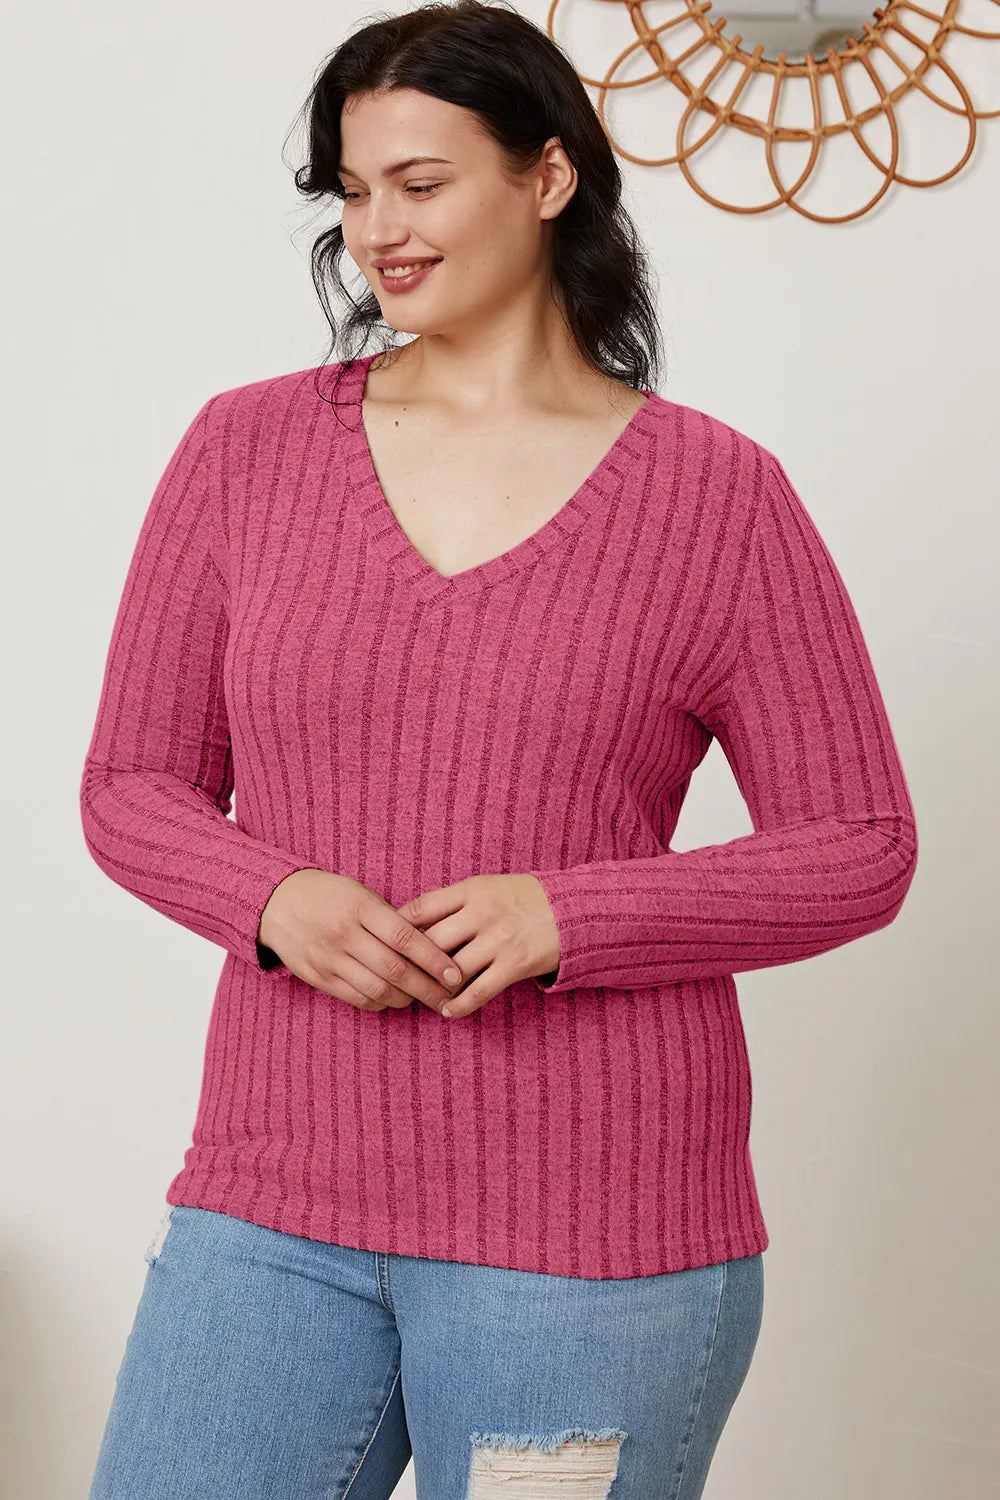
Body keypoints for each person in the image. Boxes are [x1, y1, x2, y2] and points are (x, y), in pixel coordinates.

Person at [81, 3, 918, 1496]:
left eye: (421, 183)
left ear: (547, 177)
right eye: (353, 191)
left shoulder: (717, 498)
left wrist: (569, 917)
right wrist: (271, 898)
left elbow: (860, 847)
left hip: (593, 1246)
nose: (377, 230)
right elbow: (130, 787)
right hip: (271, 1206)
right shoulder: (245, 452)